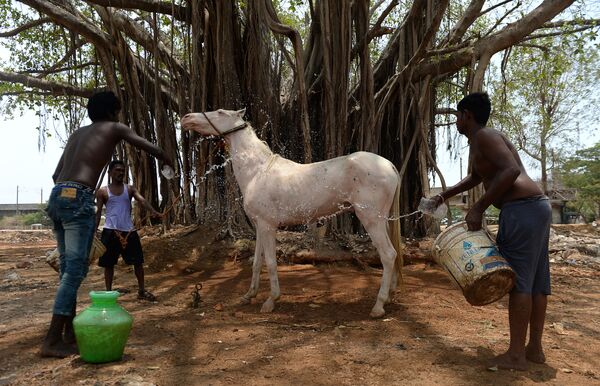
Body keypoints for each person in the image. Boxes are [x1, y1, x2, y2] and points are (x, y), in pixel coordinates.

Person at [43, 91, 173, 358]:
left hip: (58, 195)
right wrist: (167, 158)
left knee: (68, 267)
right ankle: (52, 340)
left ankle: (68, 335)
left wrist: (68, 194)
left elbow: (56, 174)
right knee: (75, 272)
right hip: (79, 196)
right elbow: (149, 147)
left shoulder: (77, 134)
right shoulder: (115, 127)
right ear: (114, 111)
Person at [431, 92, 551, 371]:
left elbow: (509, 171)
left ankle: (516, 356)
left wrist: (480, 208)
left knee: (520, 282)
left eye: (457, 117)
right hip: (534, 208)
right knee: (536, 281)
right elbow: (477, 177)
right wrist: (444, 196)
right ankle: (534, 349)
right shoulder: (481, 140)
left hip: (522, 209)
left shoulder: (485, 136)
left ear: (466, 116)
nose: (456, 123)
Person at [96, 160, 160, 301]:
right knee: (108, 264)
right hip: (110, 232)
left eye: (122, 171)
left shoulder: (130, 189)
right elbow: (98, 212)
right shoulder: (102, 192)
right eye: (117, 170)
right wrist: (94, 232)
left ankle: (141, 291)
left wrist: (153, 211)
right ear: (110, 172)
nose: (120, 173)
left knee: (138, 262)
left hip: (129, 232)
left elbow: (142, 200)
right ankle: (108, 293)